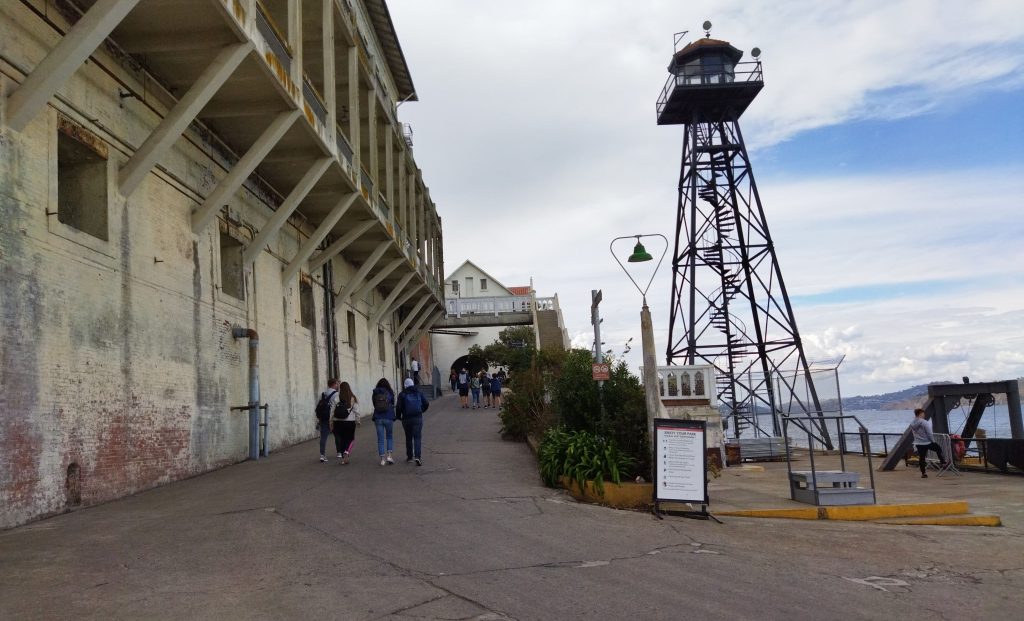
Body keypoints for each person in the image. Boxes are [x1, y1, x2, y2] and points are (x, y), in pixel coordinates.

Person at [397, 378, 430, 466]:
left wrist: (398, 416)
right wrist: (421, 410)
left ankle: (409, 457)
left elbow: (398, 407)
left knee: (408, 437)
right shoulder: (419, 392)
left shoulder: (402, 394)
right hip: (417, 417)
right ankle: (418, 457)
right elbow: (426, 403)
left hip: (406, 418)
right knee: (417, 437)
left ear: (405, 385)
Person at [910, 408, 947, 478]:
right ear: (920, 413)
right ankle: (943, 462)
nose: (924, 415)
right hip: (927, 442)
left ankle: (923, 473)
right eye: (923, 413)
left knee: (922, 458)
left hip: (918, 443)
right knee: (938, 448)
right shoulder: (924, 422)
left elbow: (914, 433)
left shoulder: (912, 423)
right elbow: (929, 433)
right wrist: (933, 441)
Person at [330, 381, 361, 464]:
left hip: (338, 422)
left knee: (342, 439)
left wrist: (331, 423)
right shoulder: (352, 398)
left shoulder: (336, 398)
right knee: (351, 439)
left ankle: (344, 458)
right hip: (349, 422)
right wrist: (358, 421)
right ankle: (347, 451)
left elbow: (332, 411)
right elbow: (357, 411)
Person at [371, 378, 397, 466]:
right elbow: (393, 402)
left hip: (378, 417)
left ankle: (382, 459)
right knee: (389, 437)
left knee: (380, 439)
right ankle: (389, 456)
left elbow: (374, 404)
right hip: (389, 416)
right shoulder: (390, 392)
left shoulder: (375, 393)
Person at [315, 379, 340, 463]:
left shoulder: (323, 394)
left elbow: (318, 406)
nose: (338, 385)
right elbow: (338, 406)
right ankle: (339, 452)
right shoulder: (336, 394)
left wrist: (319, 417)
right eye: (337, 384)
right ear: (333, 384)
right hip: (333, 418)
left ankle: (322, 455)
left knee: (323, 437)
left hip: (323, 418)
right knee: (337, 435)